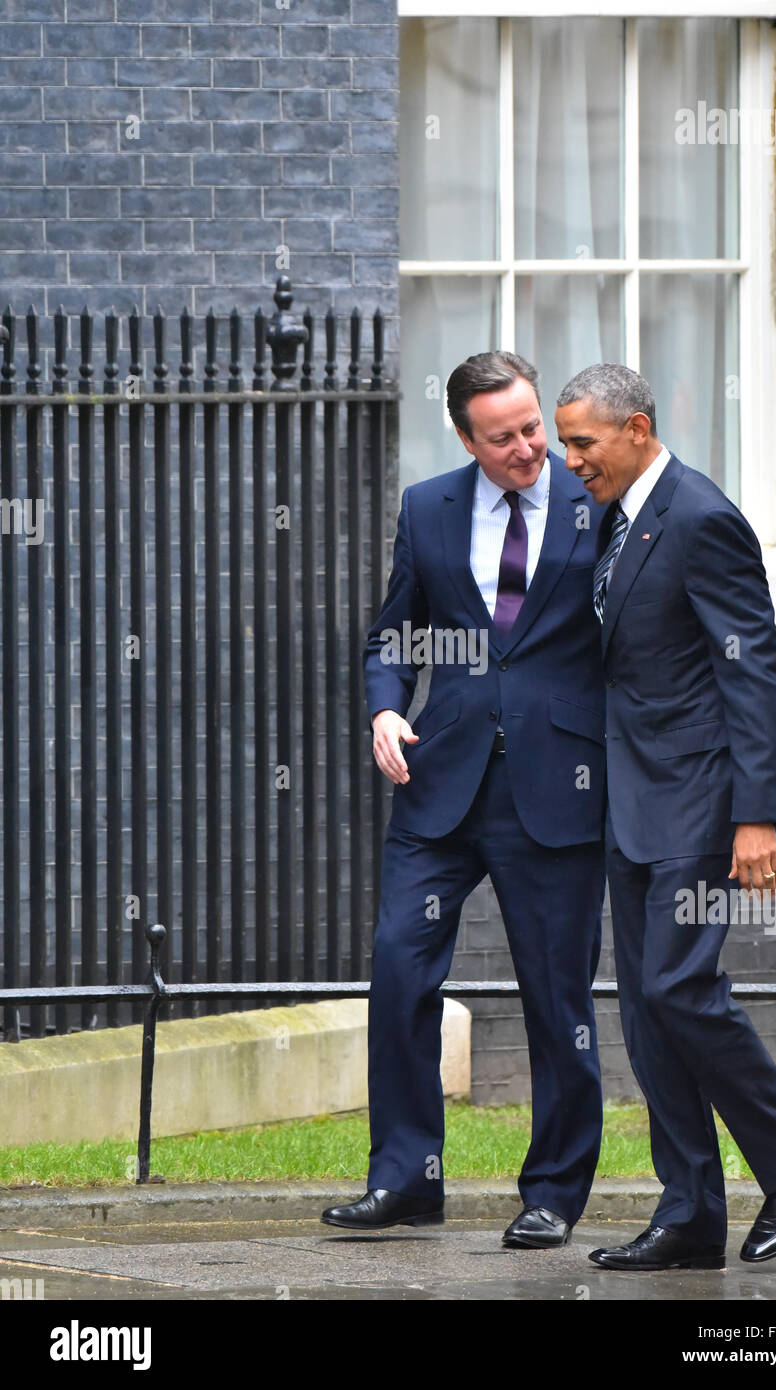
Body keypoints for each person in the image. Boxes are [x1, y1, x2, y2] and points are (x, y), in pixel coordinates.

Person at [554, 362, 776, 1271]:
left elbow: (750, 668)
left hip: (700, 807)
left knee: (681, 988)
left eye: (582, 443)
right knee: (646, 1011)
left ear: (636, 428)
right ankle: (688, 1215)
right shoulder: (617, 516)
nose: (570, 461)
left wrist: (755, 818)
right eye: (564, 444)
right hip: (633, 805)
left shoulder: (701, 516)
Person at [321, 351, 607, 1247]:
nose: (528, 447)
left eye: (532, 426)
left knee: (556, 998)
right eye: (505, 436)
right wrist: (381, 708)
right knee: (399, 974)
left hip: (557, 789)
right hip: (438, 783)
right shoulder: (427, 508)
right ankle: (406, 1180)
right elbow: (394, 632)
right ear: (464, 438)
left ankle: (553, 1193)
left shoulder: (594, 497)